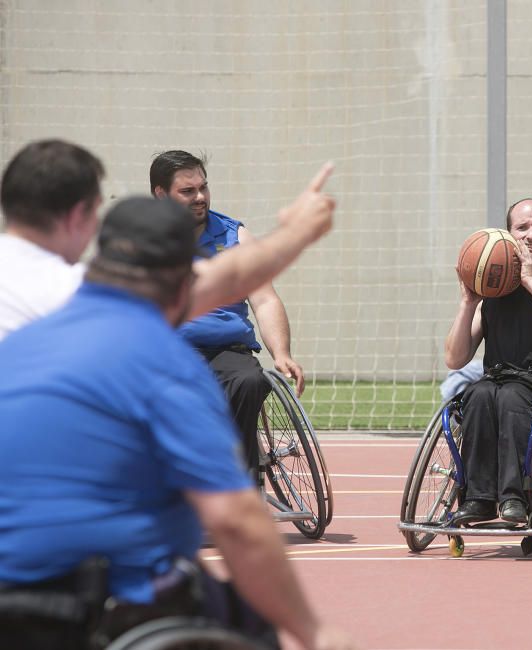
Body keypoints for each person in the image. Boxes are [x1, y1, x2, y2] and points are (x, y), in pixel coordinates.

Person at [0, 197, 354, 650]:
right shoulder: (164, 366)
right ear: (185, 282)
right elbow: (234, 522)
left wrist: (298, 232)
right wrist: (313, 631)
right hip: (91, 602)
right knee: (249, 620)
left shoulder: (26, 342)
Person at [0, 139, 336, 343]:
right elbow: (224, 280)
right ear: (77, 217)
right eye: (95, 214)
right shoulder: (72, 291)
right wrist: (298, 231)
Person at [150, 150, 306, 476]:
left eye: (203, 188)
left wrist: (282, 353)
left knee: (251, 380)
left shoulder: (235, 236)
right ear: (161, 195)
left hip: (227, 349)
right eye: (187, 191)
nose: (200, 197)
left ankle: (241, 483)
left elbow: (264, 300)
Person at [444, 198, 532, 525]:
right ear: (509, 235)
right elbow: (454, 358)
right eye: (522, 228)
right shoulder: (492, 293)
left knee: (509, 394)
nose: (531, 234)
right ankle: (479, 498)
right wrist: (468, 303)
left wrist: (529, 282)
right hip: (497, 386)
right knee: (478, 394)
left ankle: (516, 496)